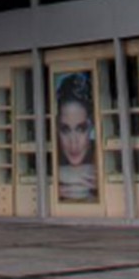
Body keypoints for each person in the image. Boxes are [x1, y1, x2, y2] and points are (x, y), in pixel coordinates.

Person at [55, 72, 98, 202]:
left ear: (91, 125)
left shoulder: (105, 155)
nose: (73, 144)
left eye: (81, 129)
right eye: (65, 130)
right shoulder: (49, 155)